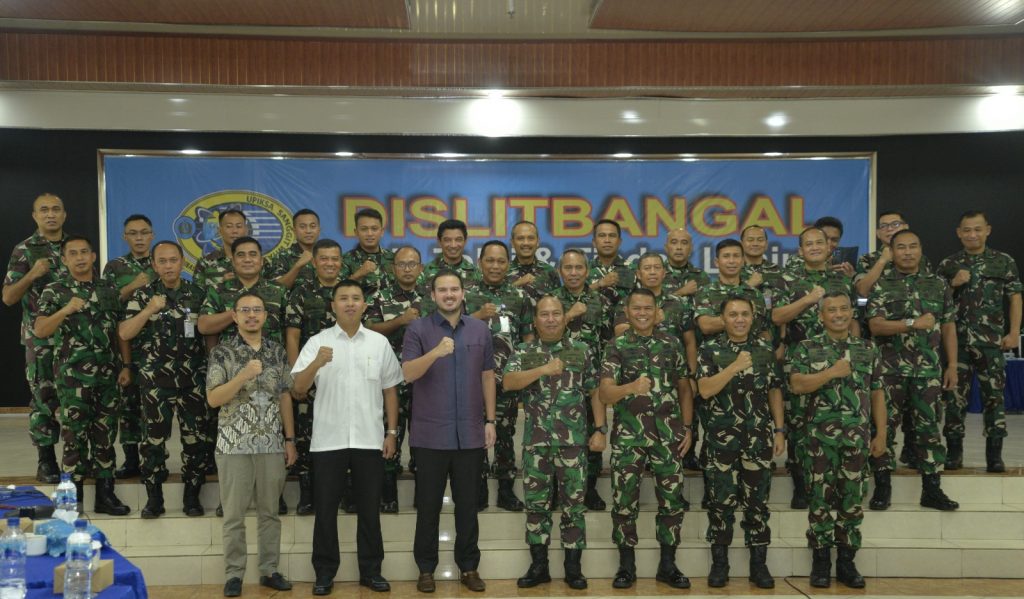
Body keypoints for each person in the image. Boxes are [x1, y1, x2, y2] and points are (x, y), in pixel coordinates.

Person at [291, 279, 404, 594]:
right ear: (333, 305)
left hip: (370, 439)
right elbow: (298, 389)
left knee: (369, 511)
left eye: (356, 298)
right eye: (343, 298)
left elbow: (390, 390)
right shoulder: (317, 342)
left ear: (365, 305)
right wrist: (316, 363)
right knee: (326, 511)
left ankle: (371, 571)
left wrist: (391, 432)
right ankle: (324, 573)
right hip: (329, 440)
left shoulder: (378, 343)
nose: (350, 303)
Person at [401, 270, 496, 594]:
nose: (449, 294)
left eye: (454, 289)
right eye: (442, 290)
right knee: (428, 507)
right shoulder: (418, 329)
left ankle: (469, 567)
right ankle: (426, 570)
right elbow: (408, 373)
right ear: (433, 295)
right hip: (430, 435)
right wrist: (435, 353)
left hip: (470, 433)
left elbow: (487, 376)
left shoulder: (480, 330)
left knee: (468, 507)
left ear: (463, 292)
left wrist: (490, 420)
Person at [504, 296, 604, 590]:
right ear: (535, 321)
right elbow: (508, 382)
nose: (550, 319)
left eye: (556, 314)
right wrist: (542, 370)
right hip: (537, 444)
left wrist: (600, 429)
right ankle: (539, 567)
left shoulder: (582, 350)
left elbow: (595, 391)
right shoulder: (524, 351)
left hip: (573, 443)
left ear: (565, 318)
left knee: (574, 507)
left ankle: (573, 568)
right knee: (537, 506)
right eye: (544, 315)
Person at [789, 292, 887, 589]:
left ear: (851, 313)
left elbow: (877, 393)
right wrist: (831, 372)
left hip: (856, 438)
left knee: (852, 501)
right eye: (832, 310)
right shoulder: (807, 348)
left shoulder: (867, 349)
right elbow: (797, 385)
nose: (839, 314)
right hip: (818, 441)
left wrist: (881, 433)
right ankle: (821, 561)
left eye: (844, 308)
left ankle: (846, 561)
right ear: (821, 316)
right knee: (818, 501)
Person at [600, 288, 693, 590]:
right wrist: (631, 388)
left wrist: (688, 427)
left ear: (657, 312)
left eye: (648, 308)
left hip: (668, 436)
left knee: (672, 502)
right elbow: (605, 393)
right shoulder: (616, 345)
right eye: (636, 308)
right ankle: (626, 567)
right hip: (630, 437)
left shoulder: (671, 343)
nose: (642, 313)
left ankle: (668, 565)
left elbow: (684, 387)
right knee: (624, 502)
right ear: (627, 312)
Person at [34, 235, 132, 515]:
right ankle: (71, 500)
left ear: (93, 257)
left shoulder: (109, 289)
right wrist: (65, 310)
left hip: (108, 374)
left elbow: (120, 331)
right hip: (73, 378)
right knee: (74, 436)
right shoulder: (54, 290)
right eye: (73, 253)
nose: (79, 258)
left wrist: (126, 365)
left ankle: (105, 495)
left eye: (84, 252)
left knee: (105, 434)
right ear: (64, 259)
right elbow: (40, 330)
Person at [206, 292, 296, 597]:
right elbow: (213, 398)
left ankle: (270, 570)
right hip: (234, 445)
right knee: (234, 515)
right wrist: (243, 375)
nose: (252, 315)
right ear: (234, 316)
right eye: (245, 310)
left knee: (270, 512)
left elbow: (285, 396)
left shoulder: (276, 351)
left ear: (266, 316)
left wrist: (290, 439)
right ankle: (234, 574)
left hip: (271, 443)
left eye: (257, 310)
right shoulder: (222, 352)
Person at [696, 296, 785, 589]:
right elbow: (704, 390)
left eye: (745, 314)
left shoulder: (764, 350)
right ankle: (720, 565)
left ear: (753, 317)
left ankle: (759, 565)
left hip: (758, 439)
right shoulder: (709, 349)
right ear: (723, 318)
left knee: (757, 504)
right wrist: (733, 367)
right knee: (720, 505)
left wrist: (779, 430)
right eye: (733, 314)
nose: (739, 319)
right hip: (721, 441)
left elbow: (774, 390)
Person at [866, 229, 959, 511]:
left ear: (920, 249)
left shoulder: (938, 284)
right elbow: (875, 325)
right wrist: (910, 324)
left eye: (913, 246)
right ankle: (882, 487)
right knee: (883, 428)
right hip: (889, 370)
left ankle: (931, 490)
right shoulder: (882, 284)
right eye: (901, 247)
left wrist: (952, 365)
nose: (907, 252)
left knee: (928, 430)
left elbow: (948, 327)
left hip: (928, 371)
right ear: (892, 252)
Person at [119, 240, 210, 518]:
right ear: (154, 265)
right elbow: (125, 333)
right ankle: (154, 497)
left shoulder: (198, 293)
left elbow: (209, 332)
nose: (169, 266)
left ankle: (192, 496)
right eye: (162, 261)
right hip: (155, 382)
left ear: (182, 262)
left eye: (173, 260)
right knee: (153, 442)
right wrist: (149, 310)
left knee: (196, 440)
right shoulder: (143, 295)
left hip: (192, 380)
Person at [200, 236, 289, 514]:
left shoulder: (277, 291)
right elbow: (204, 325)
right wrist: (238, 312)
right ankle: (231, 497)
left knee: (272, 435)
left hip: (272, 371)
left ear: (262, 260)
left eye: (253, 254)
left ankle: (272, 495)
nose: (248, 259)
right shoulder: (220, 289)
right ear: (233, 259)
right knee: (231, 437)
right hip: (230, 375)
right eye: (241, 255)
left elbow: (290, 330)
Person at [772, 227, 858, 509]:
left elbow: (854, 318)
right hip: (800, 360)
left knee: (838, 417)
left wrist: (855, 351)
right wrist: (808, 299)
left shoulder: (841, 280)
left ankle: (838, 483)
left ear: (829, 246)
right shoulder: (787, 279)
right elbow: (777, 316)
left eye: (819, 242)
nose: (814, 247)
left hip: (838, 360)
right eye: (808, 244)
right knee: (799, 422)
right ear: (800, 251)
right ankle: (801, 485)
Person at [939, 211, 1021, 472]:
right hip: (957, 344)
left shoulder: (1003, 261)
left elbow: (1015, 297)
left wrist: (1014, 332)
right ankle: (954, 452)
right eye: (967, 230)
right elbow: (935, 301)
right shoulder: (948, 264)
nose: (972, 234)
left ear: (988, 230)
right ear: (958, 232)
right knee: (954, 399)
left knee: (994, 399)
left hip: (991, 342)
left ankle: (994, 456)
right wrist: (953, 283)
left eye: (977, 229)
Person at [854, 211, 933, 469]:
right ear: (878, 233)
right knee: (885, 411)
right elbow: (862, 290)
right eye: (885, 226)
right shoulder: (868, 260)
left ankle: (912, 452)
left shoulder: (921, 260)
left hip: (919, 350)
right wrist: (883, 260)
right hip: (884, 345)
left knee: (918, 411)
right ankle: (881, 470)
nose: (890, 228)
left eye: (896, 224)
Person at [2, 193, 68, 484]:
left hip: (75, 338)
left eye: (55, 209)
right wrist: (31, 274)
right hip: (39, 341)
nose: (50, 214)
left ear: (64, 214)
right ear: (35, 216)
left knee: (77, 398)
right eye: (44, 210)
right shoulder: (24, 249)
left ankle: (79, 459)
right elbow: (8, 297)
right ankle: (46, 460)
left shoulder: (75, 246)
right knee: (44, 399)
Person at [464, 240, 534, 511]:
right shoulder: (465, 294)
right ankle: (478, 488)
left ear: (508, 264)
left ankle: (506, 489)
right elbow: (451, 330)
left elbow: (527, 337)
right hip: (471, 380)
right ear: (480, 262)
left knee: (505, 434)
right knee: (474, 434)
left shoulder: (519, 297)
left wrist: (525, 370)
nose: (495, 266)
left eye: (501, 261)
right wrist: (477, 315)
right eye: (490, 260)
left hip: (507, 381)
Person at [364, 246, 433, 512]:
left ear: (421, 268)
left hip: (425, 381)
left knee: (423, 439)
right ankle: (388, 494)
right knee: (389, 433)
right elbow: (368, 329)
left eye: (412, 264)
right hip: (389, 379)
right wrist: (400, 321)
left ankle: (423, 494)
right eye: (402, 264)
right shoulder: (380, 297)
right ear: (393, 268)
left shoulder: (431, 298)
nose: (407, 269)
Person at [284, 238, 344, 515]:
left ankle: (346, 492)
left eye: (335, 258)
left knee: (344, 432)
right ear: (315, 262)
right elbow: (292, 337)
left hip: (343, 378)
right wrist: (297, 377)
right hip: (310, 378)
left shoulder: (348, 292)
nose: (330, 263)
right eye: (324, 259)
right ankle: (307, 493)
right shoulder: (302, 293)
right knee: (307, 434)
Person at [550, 248, 612, 511]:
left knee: (592, 433)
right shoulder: (550, 301)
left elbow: (609, 341)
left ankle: (590, 488)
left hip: (592, 379)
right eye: (568, 268)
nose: (573, 273)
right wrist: (569, 315)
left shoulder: (601, 301)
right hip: (558, 381)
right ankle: (556, 488)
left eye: (578, 268)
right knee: (558, 436)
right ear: (560, 271)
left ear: (587, 271)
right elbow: (542, 334)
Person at [101, 214, 156, 480]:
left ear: (152, 235)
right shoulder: (115, 267)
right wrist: (133, 286)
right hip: (126, 344)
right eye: (133, 233)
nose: (139, 238)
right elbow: (107, 302)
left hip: (157, 344)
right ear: (125, 237)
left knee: (153, 406)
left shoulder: (161, 262)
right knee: (129, 404)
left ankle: (153, 459)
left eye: (144, 232)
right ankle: (131, 459)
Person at [342, 207, 394, 299]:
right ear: (356, 232)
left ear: (382, 232)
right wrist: (358, 275)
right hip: (363, 307)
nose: (369, 233)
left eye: (374, 229)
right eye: (364, 229)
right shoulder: (346, 260)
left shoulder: (394, 258)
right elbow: (338, 293)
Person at [266, 208, 322, 289]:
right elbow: (275, 289)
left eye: (312, 226)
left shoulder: (329, 255)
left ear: (319, 230)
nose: (308, 231)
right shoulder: (282, 257)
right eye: (302, 227)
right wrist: (297, 266)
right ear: (294, 231)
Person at [193, 208, 248, 289]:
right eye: (229, 226)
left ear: (246, 230)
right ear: (219, 230)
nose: (234, 231)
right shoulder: (205, 263)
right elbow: (198, 294)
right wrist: (221, 286)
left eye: (239, 226)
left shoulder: (257, 262)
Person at [507, 221, 560, 302]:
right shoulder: (503, 272)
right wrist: (516, 284)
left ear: (538, 241)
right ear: (512, 243)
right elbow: (496, 302)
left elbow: (557, 304)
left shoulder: (550, 272)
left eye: (531, 238)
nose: (526, 243)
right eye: (520, 238)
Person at [586, 219, 635, 307]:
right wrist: (599, 284)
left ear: (619, 242)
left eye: (612, 236)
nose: (607, 240)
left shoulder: (633, 269)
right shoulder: (584, 270)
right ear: (594, 242)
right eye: (602, 235)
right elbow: (574, 298)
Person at [419, 219, 481, 287]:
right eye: (447, 240)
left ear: (465, 241)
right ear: (439, 241)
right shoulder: (425, 272)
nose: (453, 245)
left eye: (458, 240)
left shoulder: (476, 274)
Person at [663, 228, 710, 300]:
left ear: (691, 248)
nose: (679, 247)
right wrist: (681, 292)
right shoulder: (657, 274)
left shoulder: (702, 276)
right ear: (666, 248)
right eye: (674, 242)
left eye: (684, 243)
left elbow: (707, 304)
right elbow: (651, 304)